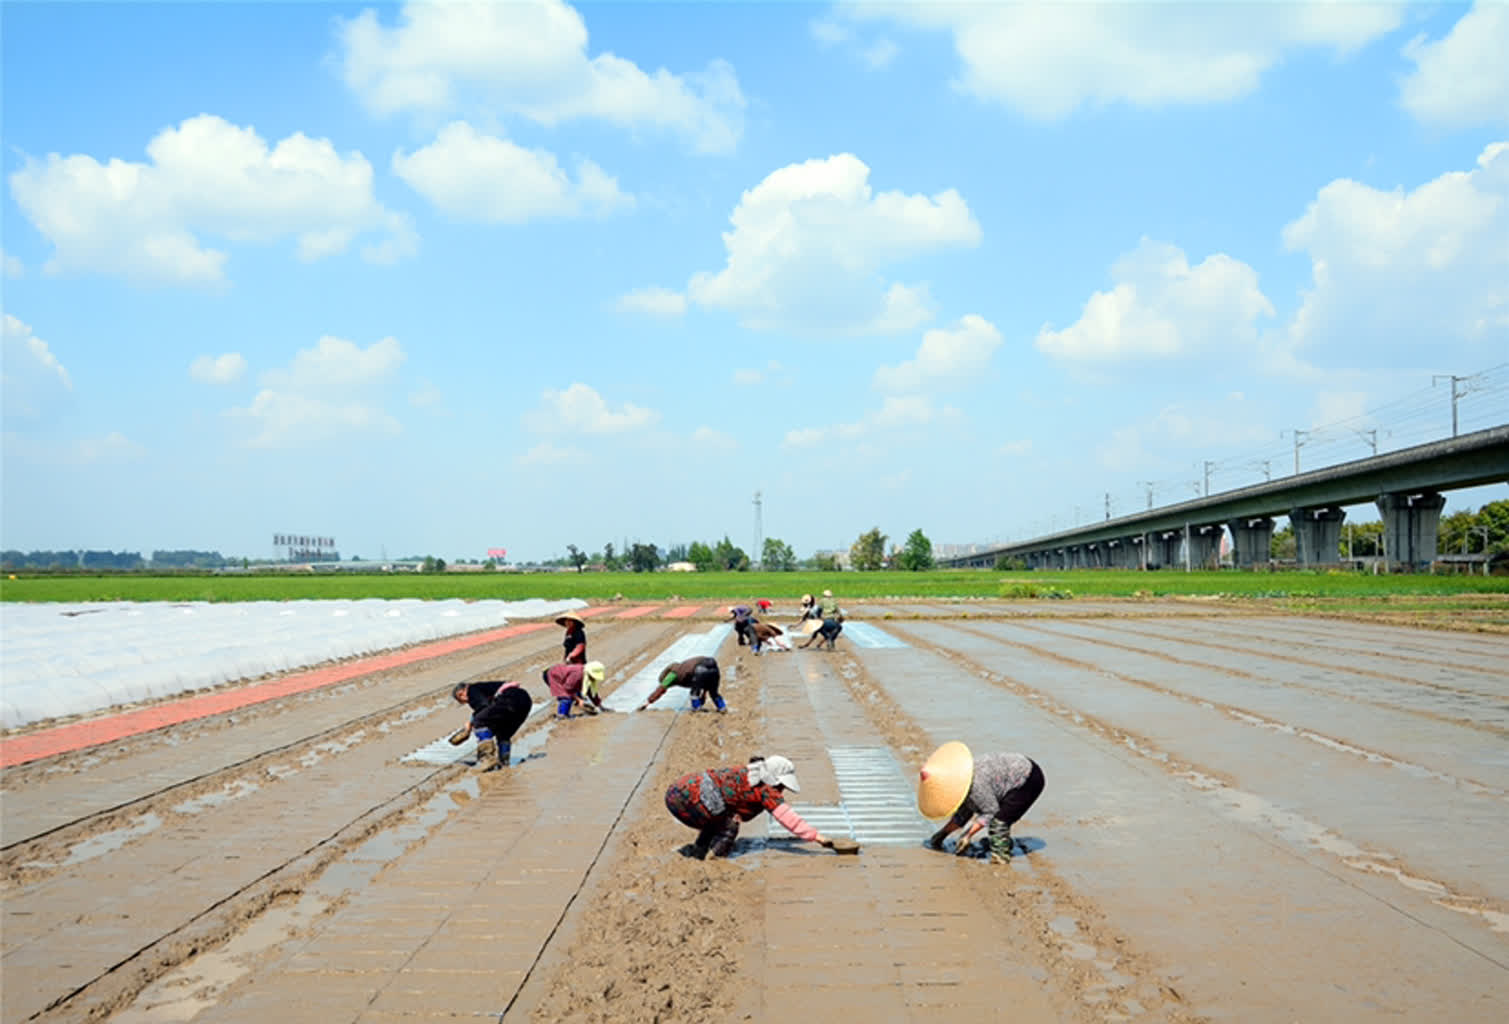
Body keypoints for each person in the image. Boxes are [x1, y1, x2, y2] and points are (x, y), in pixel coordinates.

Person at [664, 754, 838, 858]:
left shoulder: (751, 771)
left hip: (675, 792)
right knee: (730, 826)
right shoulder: (766, 790)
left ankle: (699, 850)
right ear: (775, 779)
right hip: (688, 800)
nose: (782, 789)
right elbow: (789, 818)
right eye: (782, 785)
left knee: (718, 819)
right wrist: (817, 837)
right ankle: (715, 859)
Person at [917, 741, 1045, 863]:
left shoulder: (976, 786)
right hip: (1008, 777)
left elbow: (990, 812)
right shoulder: (962, 781)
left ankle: (1001, 859)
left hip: (1028, 780)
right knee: (987, 818)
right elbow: (963, 814)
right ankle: (1002, 843)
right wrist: (942, 834)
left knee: (998, 824)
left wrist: (968, 835)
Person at [449, 678, 533, 772]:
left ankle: (487, 758)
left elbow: (483, 706)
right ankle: (504, 762)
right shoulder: (485, 688)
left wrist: (470, 724)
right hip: (525, 701)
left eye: (461, 697)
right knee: (503, 732)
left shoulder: (472, 689)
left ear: (463, 691)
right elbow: (489, 709)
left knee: (479, 722)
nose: (466, 700)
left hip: (509, 699)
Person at [636, 655, 726, 712]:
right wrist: (703, 695)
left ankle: (696, 708)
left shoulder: (673, 674)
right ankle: (722, 707)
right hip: (714, 668)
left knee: (694, 693)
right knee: (714, 692)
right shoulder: (683, 668)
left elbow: (660, 689)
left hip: (700, 669)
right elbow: (706, 683)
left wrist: (648, 702)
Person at [541, 660, 607, 717]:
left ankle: (563, 713)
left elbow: (591, 692)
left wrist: (600, 706)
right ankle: (562, 715)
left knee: (572, 694)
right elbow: (567, 689)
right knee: (566, 697)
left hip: (562, 677)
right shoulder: (578, 674)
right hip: (552, 675)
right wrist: (579, 700)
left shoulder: (587, 676)